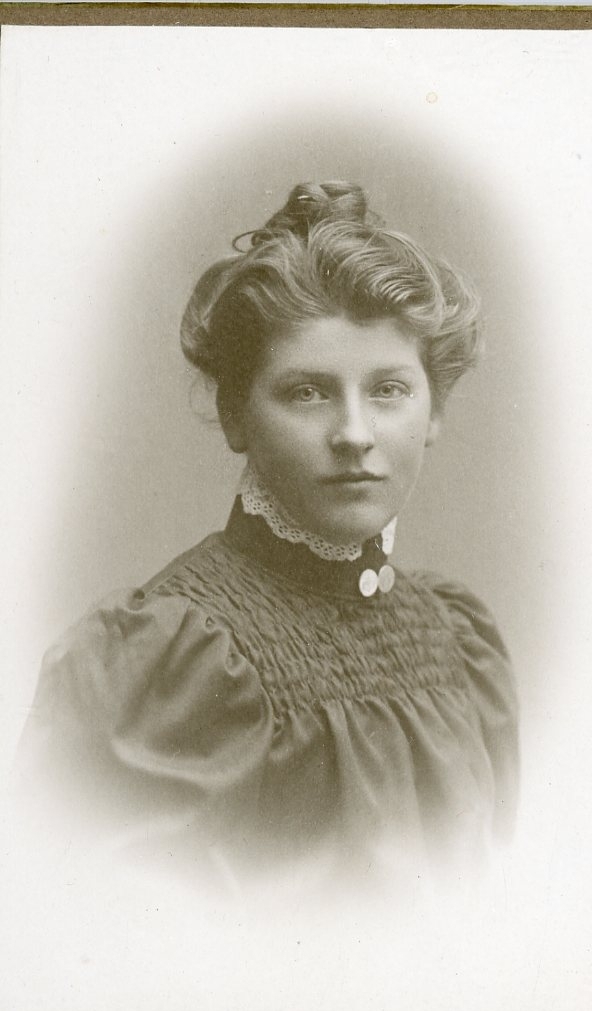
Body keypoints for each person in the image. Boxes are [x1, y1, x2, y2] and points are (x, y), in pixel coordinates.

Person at [15, 180, 518, 906]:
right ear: (235, 416)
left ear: (434, 411)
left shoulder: (459, 640)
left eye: (388, 390)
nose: (354, 434)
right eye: (307, 392)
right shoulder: (172, 661)